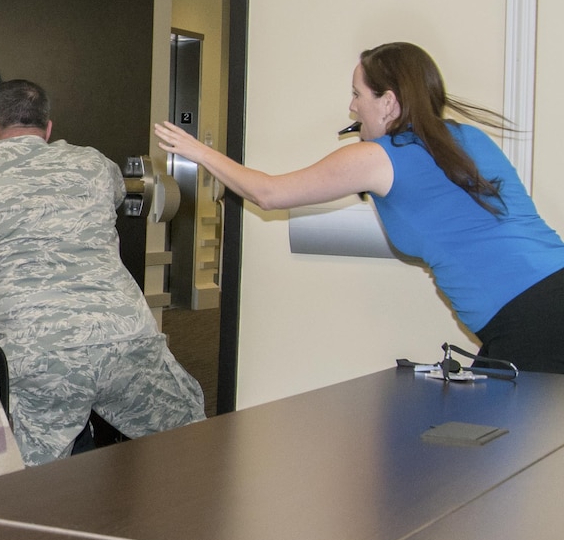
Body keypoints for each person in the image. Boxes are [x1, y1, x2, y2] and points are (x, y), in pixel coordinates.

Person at [155, 41, 564, 372]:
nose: (352, 107)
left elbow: (269, 194)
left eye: (357, 93)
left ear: (388, 102)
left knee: (512, 450)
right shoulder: (465, 137)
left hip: (528, 318)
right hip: (550, 287)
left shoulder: (379, 156)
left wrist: (197, 151)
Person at [0, 79, 205, 465]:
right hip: (126, 341)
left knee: (31, 490)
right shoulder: (95, 165)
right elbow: (112, 199)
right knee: (196, 447)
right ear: (48, 128)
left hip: (40, 358)